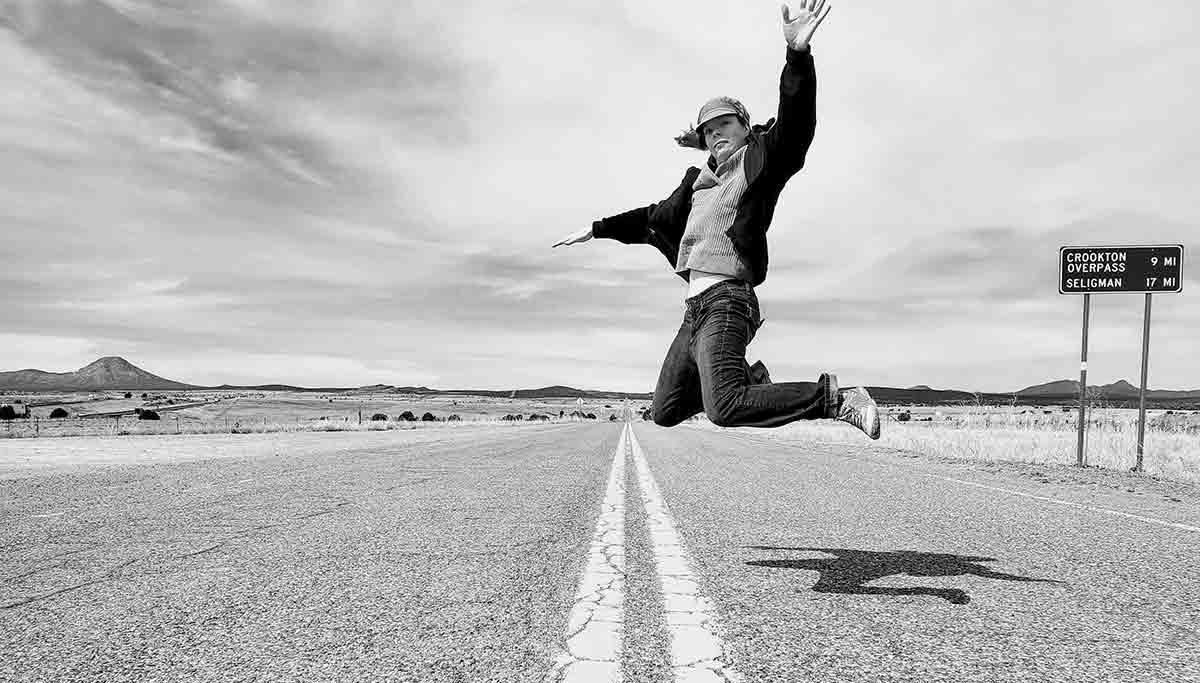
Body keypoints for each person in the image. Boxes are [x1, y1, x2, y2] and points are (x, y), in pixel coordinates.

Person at [553, 1, 879, 439]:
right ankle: (747, 381)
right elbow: (650, 219)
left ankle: (836, 399)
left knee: (724, 407)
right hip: (694, 311)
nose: (716, 134)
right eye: (709, 130)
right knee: (665, 410)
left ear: (745, 127)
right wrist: (596, 229)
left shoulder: (761, 160)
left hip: (729, 301)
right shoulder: (697, 186)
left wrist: (797, 56)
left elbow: (797, 122)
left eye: (725, 124)